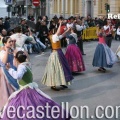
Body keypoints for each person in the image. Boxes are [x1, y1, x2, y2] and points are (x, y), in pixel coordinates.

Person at [1, 51, 71, 120]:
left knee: (24, 106)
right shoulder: (27, 64)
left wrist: (9, 69)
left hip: (26, 91)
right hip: (30, 89)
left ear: (16, 59)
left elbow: (18, 76)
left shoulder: (21, 67)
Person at [41, 20, 73, 91]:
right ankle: (54, 84)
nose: (58, 32)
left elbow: (62, 34)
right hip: (56, 54)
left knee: (62, 68)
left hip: (59, 52)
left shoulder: (56, 37)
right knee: (56, 69)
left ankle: (62, 82)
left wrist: (67, 30)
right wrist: (60, 24)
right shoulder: (54, 37)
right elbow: (59, 33)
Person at [0, 36, 19, 112]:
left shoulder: (12, 49)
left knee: (15, 91)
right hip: (5, 74)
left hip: (13, 71)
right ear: (5, 43)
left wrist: (14, 49)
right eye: (9, 42)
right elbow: (3, 62)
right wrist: (7, 50)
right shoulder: (2, 52)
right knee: (8, 92)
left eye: (12, 41)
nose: (11, 43)